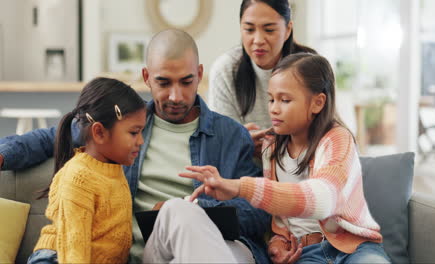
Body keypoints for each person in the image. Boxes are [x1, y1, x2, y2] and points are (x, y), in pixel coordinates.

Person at [0, 29, 270, 264]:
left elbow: (259, 213)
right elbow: (51, 137)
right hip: (154, 254)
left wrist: (199, 208)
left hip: (220, 248)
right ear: (146, 77)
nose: (176, 96)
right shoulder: (120, 125)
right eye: (164, 82)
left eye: (186, 81)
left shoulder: (231, 136)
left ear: (199, 74)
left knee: (179, 211)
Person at [181, 53, 391, 264]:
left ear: (317, 103)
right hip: (303, 254)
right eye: (271, 99)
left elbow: (323, 199)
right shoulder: (271, 148)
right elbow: (278, 217)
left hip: (353, 248)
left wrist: (240, 187)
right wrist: (277, 242)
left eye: (285, 100)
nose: (273, 108)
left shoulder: (337, 140)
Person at [27, 77, 146, 264]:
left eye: (141, 132)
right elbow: (73, 249)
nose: (140, 141)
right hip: (58, 257)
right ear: (99, 133)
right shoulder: (78, 177)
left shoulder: (114, 169)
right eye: (133, 133)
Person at [208, 0, 316, 155]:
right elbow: (220, 141)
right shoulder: (225, 70)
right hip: (244, 170)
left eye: (269, 30)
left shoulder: (310, 67)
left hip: (301, 166)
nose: (258, 40)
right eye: (249, 29)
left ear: (288, 30)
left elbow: (328, 131)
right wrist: (239, 142)